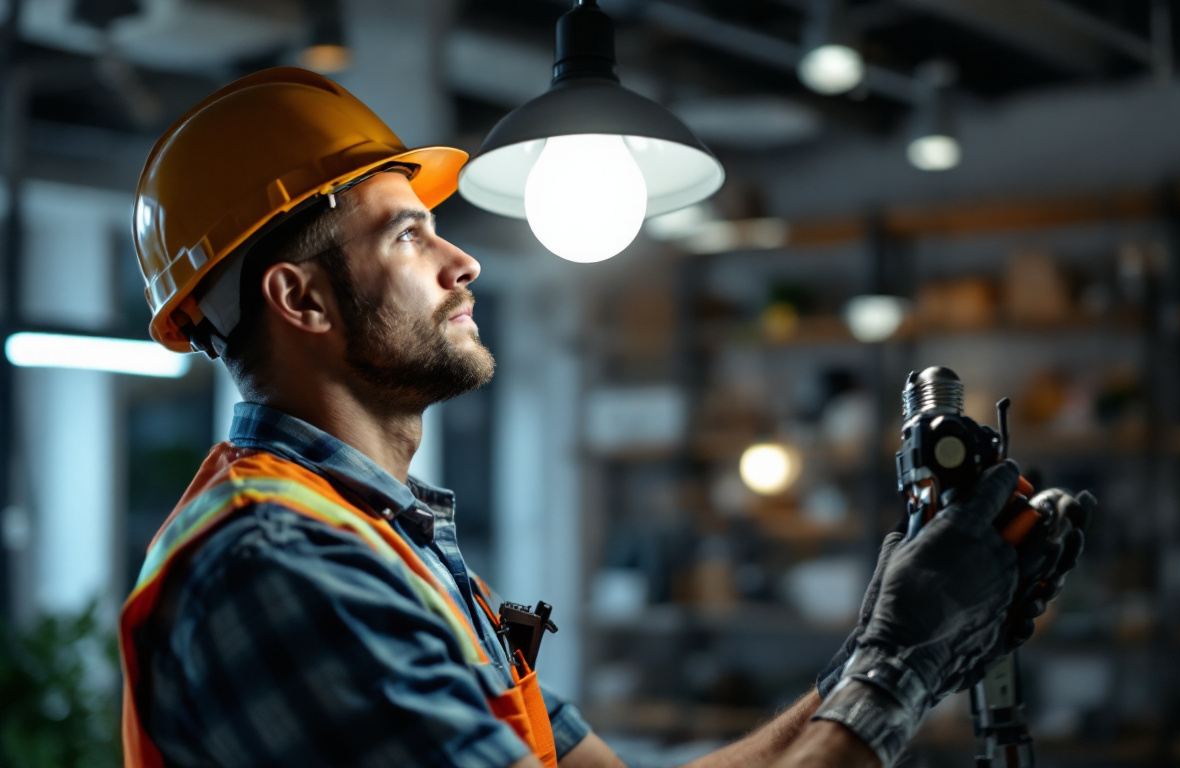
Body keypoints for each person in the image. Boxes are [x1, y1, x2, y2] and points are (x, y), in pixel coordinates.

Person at [119, 67, 1092, 768]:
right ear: (304, 302)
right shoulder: (276, 567)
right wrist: (899, 666)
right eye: (408, 233)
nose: (465, 262)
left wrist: (892, 640)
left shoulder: (385, 544)